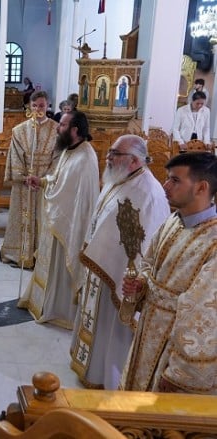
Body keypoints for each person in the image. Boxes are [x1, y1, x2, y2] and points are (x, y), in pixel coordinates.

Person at [69, 135, 170, 390]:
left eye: (115, 153)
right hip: (101, 267)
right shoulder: (120, 178)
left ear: (135, 160)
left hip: (120, 278)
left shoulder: (147, 192)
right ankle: (89, 366)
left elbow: (144, 246)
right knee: (97, 321)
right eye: (110, 152)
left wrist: (130, 278)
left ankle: (106, 376)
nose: (108, 157)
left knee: (111, 330)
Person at [120, 152, 217, 394]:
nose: (165, 186)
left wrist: (179, 373)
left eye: (175, 180)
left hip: (173, 352)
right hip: (149, 332)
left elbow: (204, 318)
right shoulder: (174, 220)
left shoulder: (214, 243)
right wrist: (141, 284)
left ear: (201, 187)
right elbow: (149, 262)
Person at [18, 111, 99, 328]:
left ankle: (58, 309)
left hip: (68, 226)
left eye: (62, 125)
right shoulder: (70, 150)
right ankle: (42, 303)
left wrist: (48, 193)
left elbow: (68, 197)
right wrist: (43, 181)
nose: (57, 127)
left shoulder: (84, 158)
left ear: (75, 130)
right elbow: (59, 179)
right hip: (59, 220)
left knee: (60, 268)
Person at [0, 91, 59, 268]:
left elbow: (58, 158)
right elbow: (15, 156)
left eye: (41, 105)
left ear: (47, 106)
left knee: (43, 217)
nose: (38, 109)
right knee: (22, 217)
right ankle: (19, 253)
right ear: (29, 106)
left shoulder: (57, 130)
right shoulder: (19, 130)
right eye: (34, 105)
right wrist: (24, 177)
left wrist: (43, 179)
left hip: (46, 183)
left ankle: (42, 256)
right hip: (24, 183)